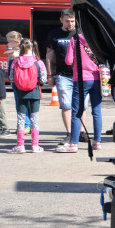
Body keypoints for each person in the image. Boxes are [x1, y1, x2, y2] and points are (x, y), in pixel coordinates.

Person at [56, 31, 102, 153]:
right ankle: (97, 142)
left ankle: (73, 144)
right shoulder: (98, 38)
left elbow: (68, 61)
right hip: (98, 79)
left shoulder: (75, 39)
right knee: (97, 112)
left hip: (81, 79)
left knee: (76, 111)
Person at [7, 39, 47, 153]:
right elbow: (43, 79)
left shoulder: (15, 62)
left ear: (20, 48)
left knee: (20, 119)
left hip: (20, 93)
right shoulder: (38, 62)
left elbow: (11, 78)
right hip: (34, 93)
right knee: (35, 119)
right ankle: (35, 145)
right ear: (33, 48)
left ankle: (20, 145)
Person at [46, 8, 76, 144]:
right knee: (66, 104)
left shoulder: (80, 33)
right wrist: (50, 74)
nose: (70, 24)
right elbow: (50, 56)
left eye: (72, 21)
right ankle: (70, 133)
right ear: (61, 20)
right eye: (67, 21)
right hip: (62, 75)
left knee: (81, 106)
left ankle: (80, 132)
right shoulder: (54, 34)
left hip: (80, 75)